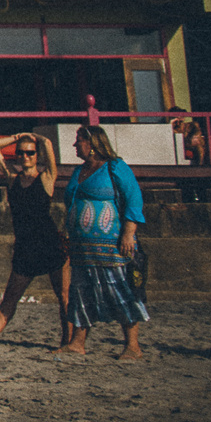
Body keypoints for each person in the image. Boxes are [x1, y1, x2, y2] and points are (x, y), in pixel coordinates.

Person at [57, 125, 147, 359]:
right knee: (81, 291)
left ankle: (133, 346)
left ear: (92, 144)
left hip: (111, 245)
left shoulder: (115, 167)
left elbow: (134, 199)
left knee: (119, 289)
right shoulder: (79, 171)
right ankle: (77, 342)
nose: (75, 145)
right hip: (81, 247)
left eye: (78, 140)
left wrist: (128, 233)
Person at [0, 134, 70, 347]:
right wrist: (17, 136)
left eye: (30, 153)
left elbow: (48, 143)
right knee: (11, 295)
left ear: (37, 156)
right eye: (21, 152)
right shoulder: (12, 178)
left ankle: (67, 341)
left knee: (63, 296)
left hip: (50, 243)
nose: (25, 156)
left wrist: (36, 137)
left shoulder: (46, 178)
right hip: (25, 246)